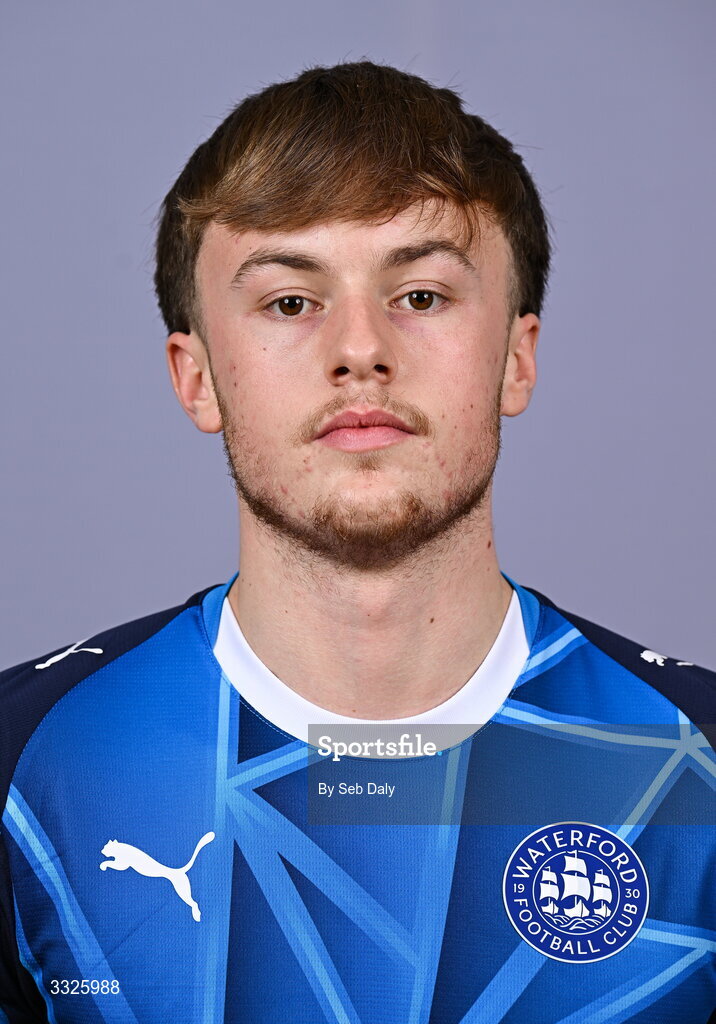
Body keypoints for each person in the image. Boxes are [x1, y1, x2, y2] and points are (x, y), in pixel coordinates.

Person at [1, 60, 714, 1024]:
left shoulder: (695, 759)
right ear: (197, 377)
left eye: (420, 295)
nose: (360, 348)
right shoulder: (27, 766)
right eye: (291, 302)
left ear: (517, 358)